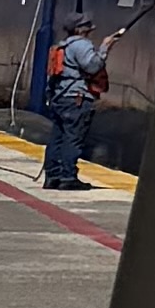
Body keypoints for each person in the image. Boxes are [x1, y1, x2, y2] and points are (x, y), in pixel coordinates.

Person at [40, 25, 102, 192]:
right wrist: (105, 48)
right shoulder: (81, 45)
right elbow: (93, 67)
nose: (91, 29)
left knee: (57, 138)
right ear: (81, 30)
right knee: (72, 139)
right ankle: (68, 177)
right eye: (88, 26)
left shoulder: (62, 46)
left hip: (60, 99)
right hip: (77, 100)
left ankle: (52, 176)